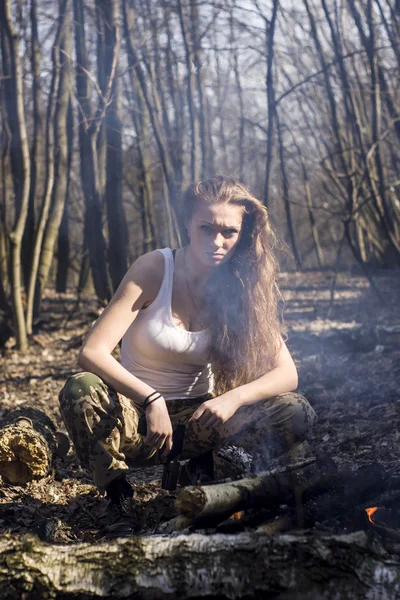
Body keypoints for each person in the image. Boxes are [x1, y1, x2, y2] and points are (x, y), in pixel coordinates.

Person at [59, 176, 317, 523]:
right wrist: (151, 399)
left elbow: (287, 374)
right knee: (81, 388)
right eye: (206, 228)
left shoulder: (242, 285)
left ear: (242, 234)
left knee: (295, 410)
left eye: (229, 232)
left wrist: (232, 398)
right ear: (187, 224)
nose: (217, 241)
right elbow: (92, 351)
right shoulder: (155, 268)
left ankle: (206, 468)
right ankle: (117, 495)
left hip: (201, 420)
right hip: (138, 419)